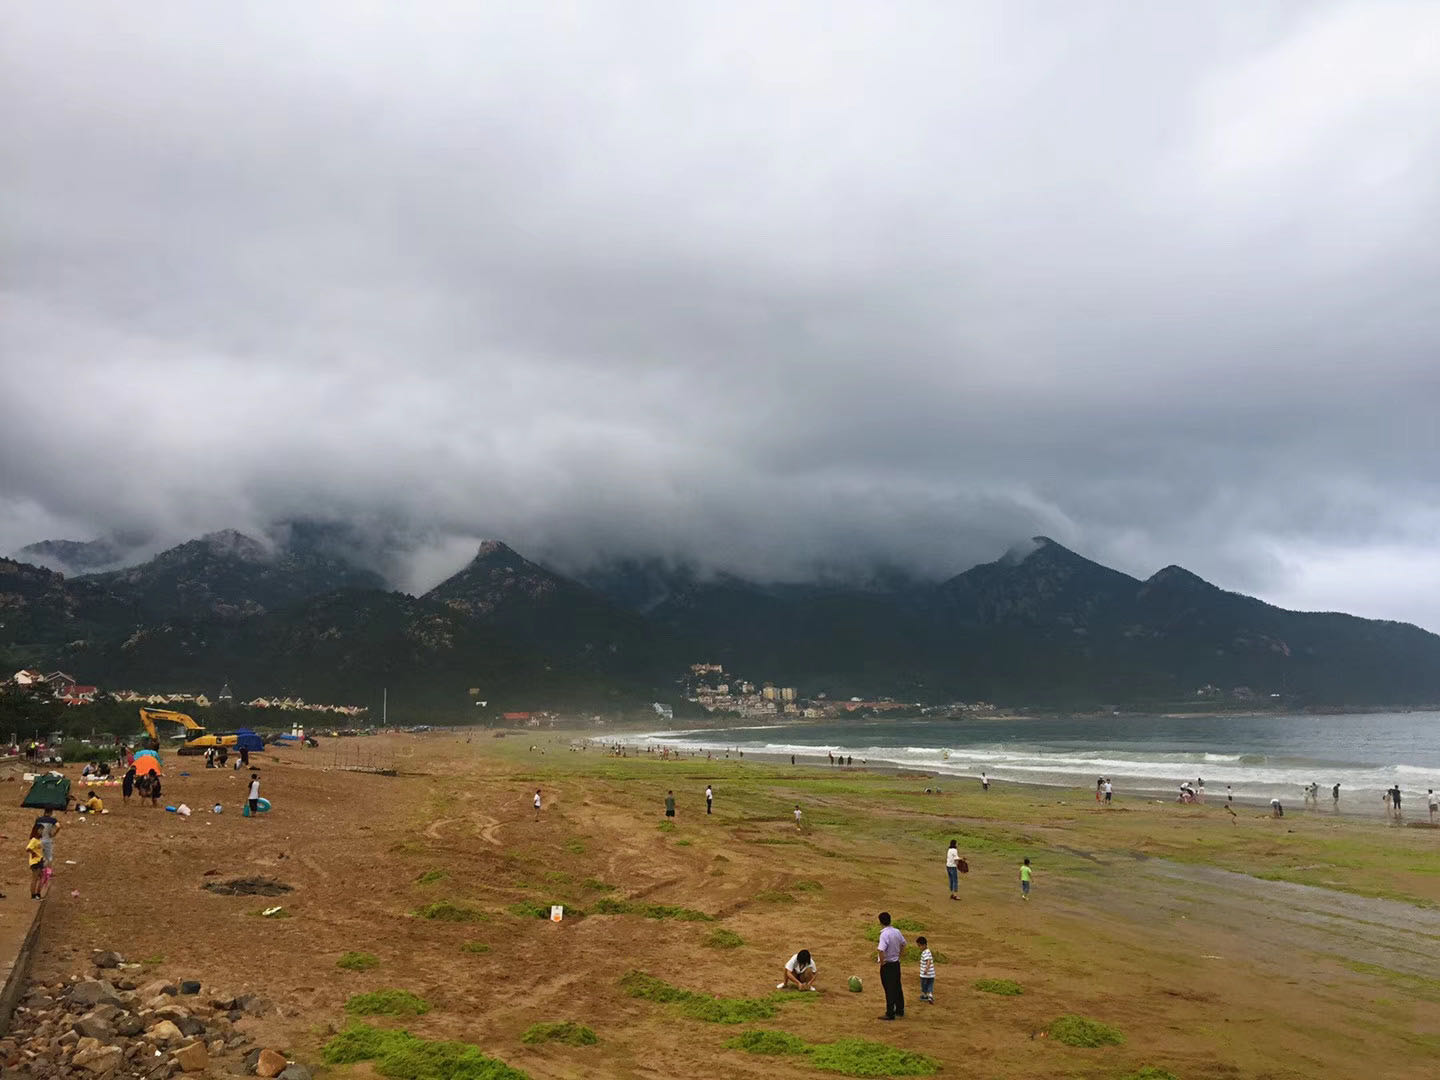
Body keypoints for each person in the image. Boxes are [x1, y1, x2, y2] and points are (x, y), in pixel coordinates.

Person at [875, 912, 905, 1020]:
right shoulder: (897, 931)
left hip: (888, 965)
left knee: (889, 989)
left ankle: (890, 1013)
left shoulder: (884, 934)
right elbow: (903, 944)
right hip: (896, 964)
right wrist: (899, 956)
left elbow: (881, 950)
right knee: (897, 987)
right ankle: (900, 1010)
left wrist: (882, 962)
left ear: (880, 922)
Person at [27, 825, 47, 899]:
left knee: (42, 877)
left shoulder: (39, 840)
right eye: (40, 830)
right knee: (35, 878)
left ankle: (37, 894)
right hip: (35, 862)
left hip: (40, 861)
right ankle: (34, 895)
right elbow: (28, 848)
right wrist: (33, 853)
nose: (42, 832)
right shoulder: (34, 840)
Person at [916, 936, 935, 1003]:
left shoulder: (925, 952)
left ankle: (924, 995)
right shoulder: (928, 951)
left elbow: (928, 961)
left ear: (924, 945)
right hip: (931, 974)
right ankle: (930, 995)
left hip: (925, 974)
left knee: (924, 984)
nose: (919, 947)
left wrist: (926, 969)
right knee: (930, 984)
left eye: (919, 946)